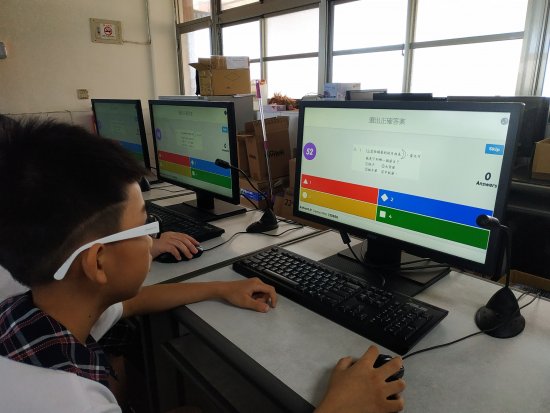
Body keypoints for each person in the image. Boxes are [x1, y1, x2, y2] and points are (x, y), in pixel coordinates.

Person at [0, 117, 405, 413]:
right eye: (144, 226)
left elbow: (129, 304)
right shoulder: (69, 402)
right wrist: (343, 405)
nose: (152, 240)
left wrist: (221, 288)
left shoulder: (30, 308)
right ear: (98, 263)